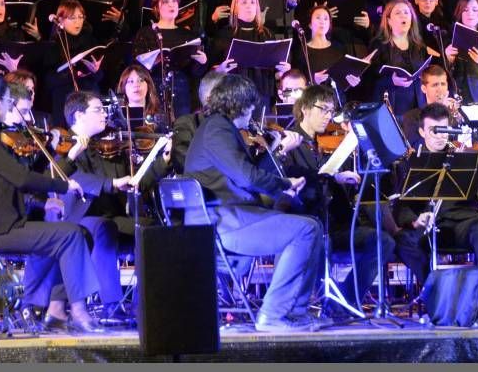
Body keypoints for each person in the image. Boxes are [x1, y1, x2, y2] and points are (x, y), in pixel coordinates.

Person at [0, 74, 102, 332]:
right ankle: (78, 311)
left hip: (4, 225)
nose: (12, 108)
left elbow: (19, 174)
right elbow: (21, 178)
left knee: (77, 234)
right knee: (71, 235)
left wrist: (52, 155)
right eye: (10, 102)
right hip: (0, 231)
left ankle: (57, 310)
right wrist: (64, 185)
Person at [183, 74, 323, 332]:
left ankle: (296, 312)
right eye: (250, 106)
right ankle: (273, 315)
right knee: (306, 229)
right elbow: (246, 176)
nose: (252, 113)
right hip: (220, 222)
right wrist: (285, 184)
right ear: (240, 103)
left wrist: (279, 172)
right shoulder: (217, 129)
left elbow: (245, 174)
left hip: (227, 216)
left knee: (310, 224)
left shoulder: (218, 128)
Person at [281, 84, 395, 318]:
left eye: (331, 111)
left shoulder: (324, 145)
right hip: (308, 223)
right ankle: (319, 302)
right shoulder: (290, 144)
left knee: (383, 241)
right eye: (323, 109)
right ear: (304, 109)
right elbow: (292, 177)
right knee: (321, 244)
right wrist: (330, 177)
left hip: (336, 223)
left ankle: (346, 300)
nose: (328, 116)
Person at [56, 91, 169, 317]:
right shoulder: (63, 146)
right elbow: (75, 178)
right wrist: (112, 183)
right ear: (78, 115)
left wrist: (161, 162)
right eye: (98, 110)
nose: (105, 114)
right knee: (104, 229)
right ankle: (112, 304)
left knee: (152, 229)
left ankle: (143, 304)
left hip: (112, 216)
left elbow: (133, 181)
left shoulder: (105, 146)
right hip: (80, 219)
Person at [392, 103, 478, 286]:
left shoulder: (464, 157)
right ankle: (435, 294)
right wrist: (415, 220)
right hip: (427, 226)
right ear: (422, 132)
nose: (440, 136)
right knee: (403, 241)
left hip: (463, 223)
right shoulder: (409, 163)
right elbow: (400, 208)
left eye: (444, 130)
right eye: (434, 130)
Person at [133, 0, 207, 118]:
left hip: (182, 89)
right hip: (154, 88)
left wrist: (202, 62)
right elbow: (137, 67)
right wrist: (156, 61)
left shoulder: (188, 35)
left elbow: (195, 72)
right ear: (156, 7)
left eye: (174, 1)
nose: (171, 4)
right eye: (166, 1)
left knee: (181, 129)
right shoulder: (147, 33)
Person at [211, 0, 289, 110]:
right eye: (244, 2)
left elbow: (275, 72)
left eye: (253, 2)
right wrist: (221, 69)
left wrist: (282, 71)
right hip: (233, 95)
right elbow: (212, 69)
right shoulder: (225, 34)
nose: (249, 6)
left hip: (261, 95)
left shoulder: (267, 34)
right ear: (235, 8)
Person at [368, 0, 429, 117]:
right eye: (398, 13)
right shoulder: (379, 45)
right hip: (390, 105)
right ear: (389, 21)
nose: (403, 16)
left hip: (416, 106)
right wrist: (391, 81)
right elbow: (370, 79)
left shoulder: (419, 46)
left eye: (406, 12)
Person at [444, 0, 478, 105]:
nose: (470, 14)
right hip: (456, 94)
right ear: (460, 12)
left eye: (474, 10)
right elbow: (444, 73)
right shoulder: (449, 37)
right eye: (465, 10)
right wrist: (448, 59)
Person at [400, 64, 462, 147]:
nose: (440, 89)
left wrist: (459, 117)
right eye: (435, 85)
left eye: (443, 84)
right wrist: (440, 111)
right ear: (424, 89)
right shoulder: (411, 117)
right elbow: (418, 147)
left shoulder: (452, 114)